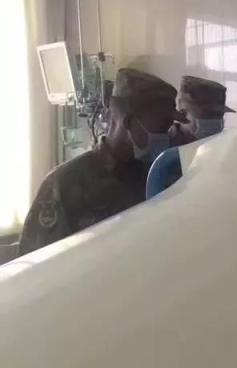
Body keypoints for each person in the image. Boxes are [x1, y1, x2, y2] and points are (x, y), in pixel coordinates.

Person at [19, 68, 182, 255]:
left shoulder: (159, 177)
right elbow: (34, 264)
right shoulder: (64, 184)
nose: (165, 135)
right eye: (161, 127)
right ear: (127, 121)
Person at [170, 75, 235, 145]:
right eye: (208, 115)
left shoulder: (224, 145)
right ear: (183, 113)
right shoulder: (166, 145)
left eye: (219, 114)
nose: (215, 120)